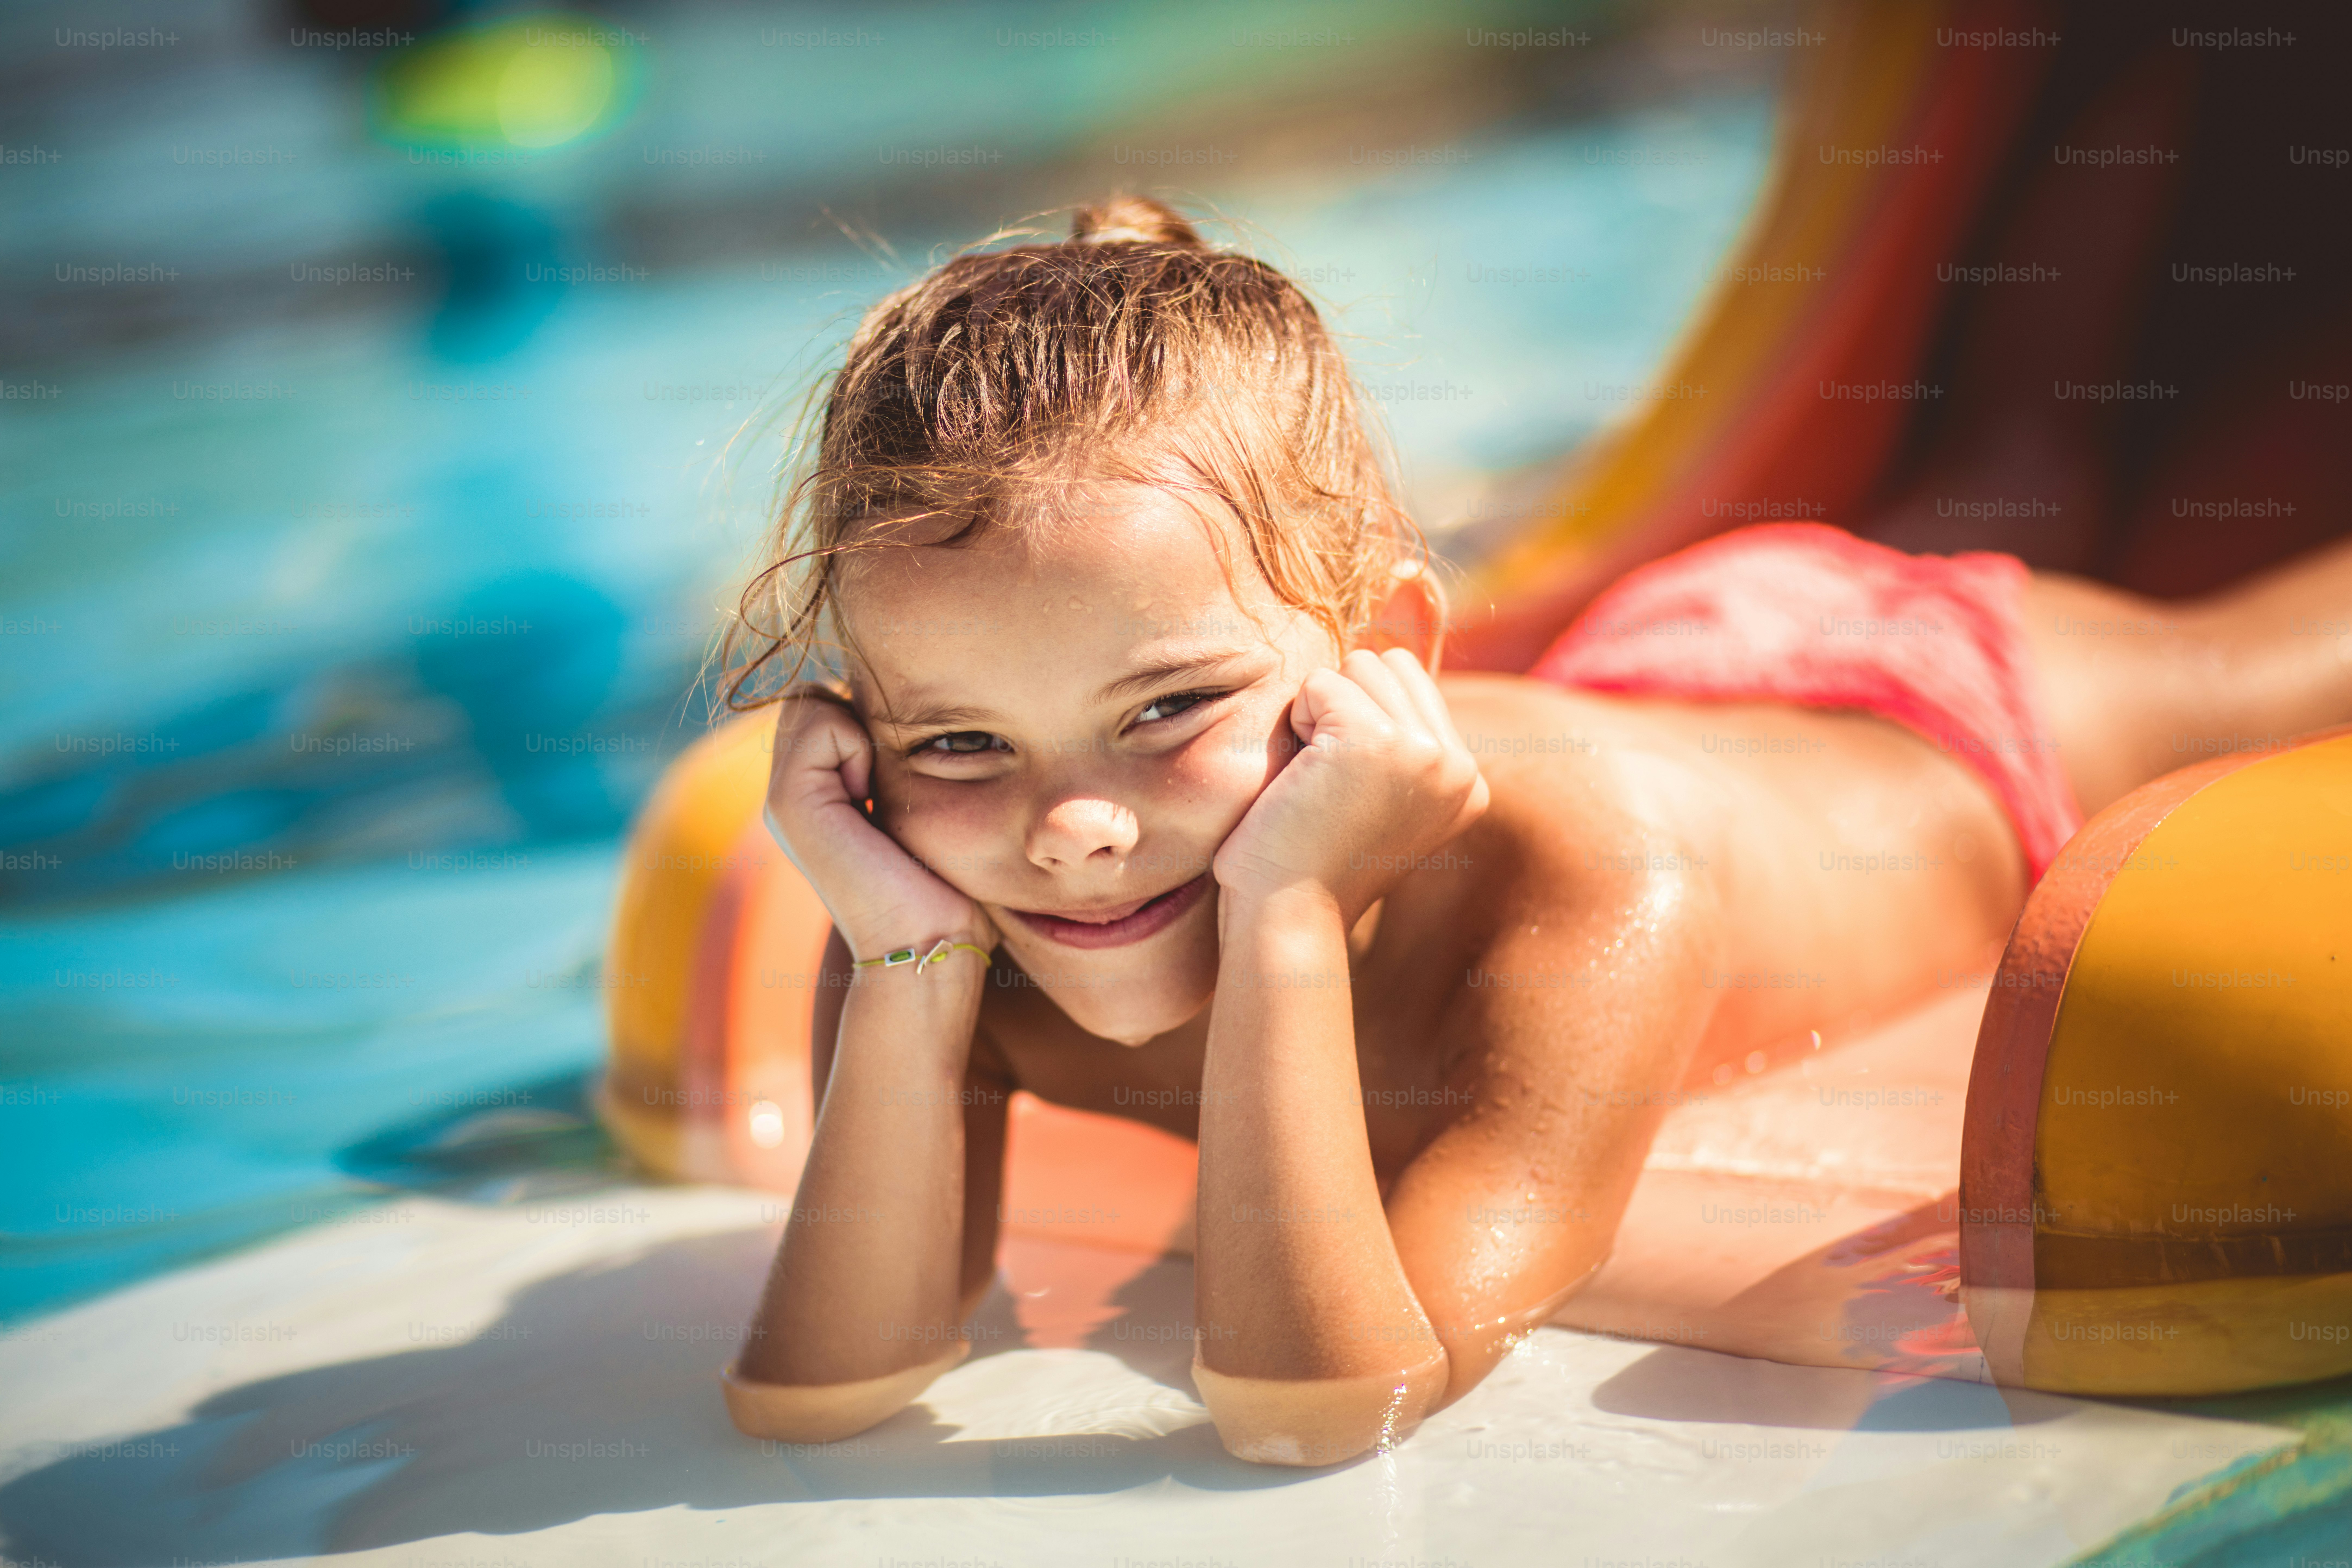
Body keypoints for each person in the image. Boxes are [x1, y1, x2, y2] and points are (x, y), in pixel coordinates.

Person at [714, 195, 2352, 1466]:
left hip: (1932, 722)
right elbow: (828, 1384)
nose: (1068, 829)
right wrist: (908, 961)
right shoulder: (942, 917)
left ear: (1390, 658)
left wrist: (1285, 916)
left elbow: (1327, 1398)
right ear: (858, 736)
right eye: (957, 739)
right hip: (1664, 674)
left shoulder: (1580, 888)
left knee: (2280, 628)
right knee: (2015, 455)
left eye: (1163, 712)